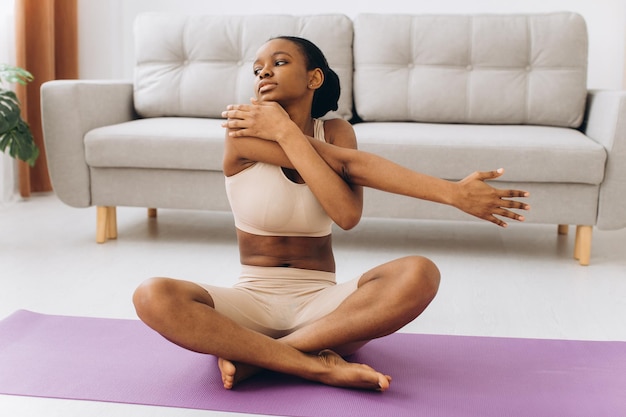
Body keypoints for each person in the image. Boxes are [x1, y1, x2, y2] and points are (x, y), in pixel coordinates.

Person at [133, 36, 530, 392]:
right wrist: (278, 129)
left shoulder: (337, 132)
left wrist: (454, 194)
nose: (264, 71)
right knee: (152, 294)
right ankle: (316, 367)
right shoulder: (243, 129)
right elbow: (342, 168)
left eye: (280, 61)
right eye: (257, 69)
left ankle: (260, 356)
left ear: (314, 79)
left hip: (325, 308)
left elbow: (345, 214)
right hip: (250, 301)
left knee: (420, 273)